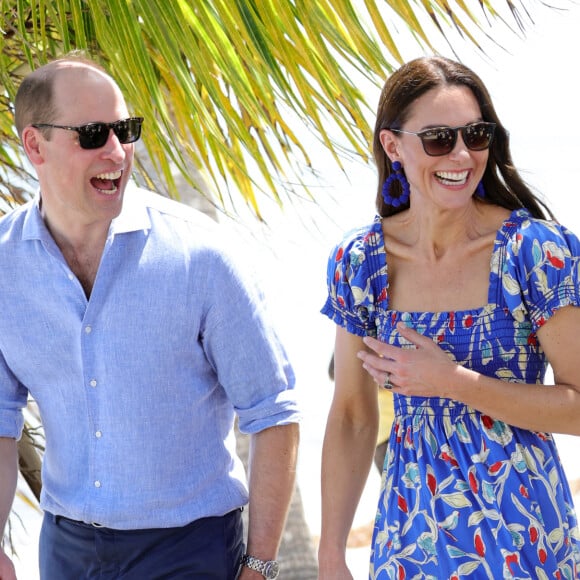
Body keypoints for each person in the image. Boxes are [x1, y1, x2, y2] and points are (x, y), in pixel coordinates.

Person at [0, 54, 300, 580]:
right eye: (93, 134)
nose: (117, 151)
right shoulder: (5, 268)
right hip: (67, 552)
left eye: (126, 130)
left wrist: (259, 564)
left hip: (192, 551)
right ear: (33, 146)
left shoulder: (201, 256)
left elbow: (272, 411)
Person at [318, 55, 580, 579]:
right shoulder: (360, 263)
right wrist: (329, 555)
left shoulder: (535, 252)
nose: (462, 154)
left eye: (476, 135)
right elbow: (351, 416)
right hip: (409, 539)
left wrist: (451, 381)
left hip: (525, 536)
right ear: (393, 146)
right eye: (439, 139)